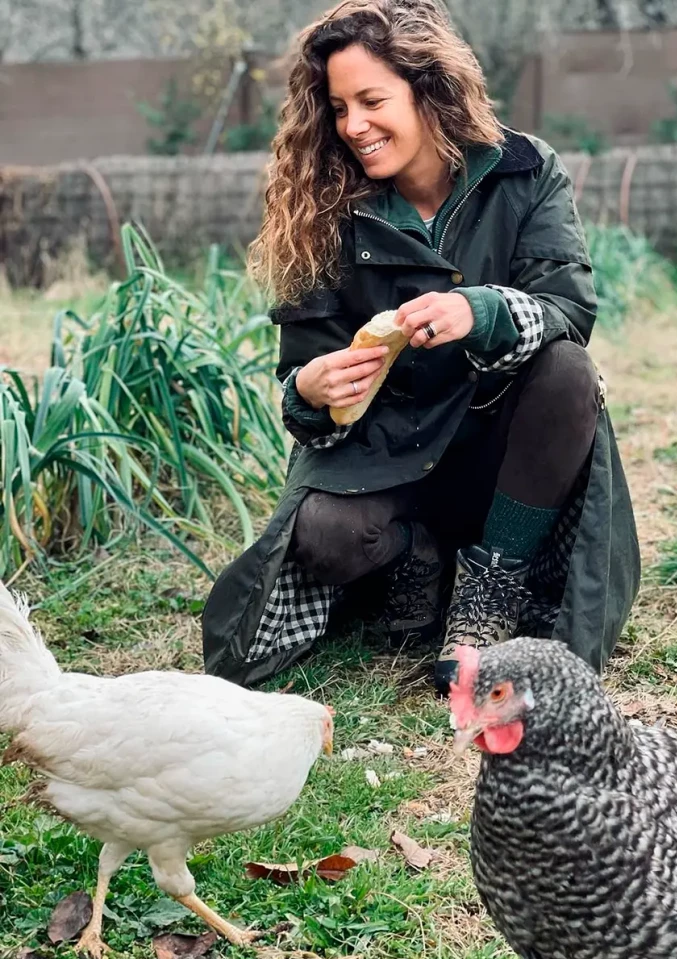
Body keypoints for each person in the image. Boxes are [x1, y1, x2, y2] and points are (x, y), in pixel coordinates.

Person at [202, 0, 640, 694]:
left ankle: (488, 588)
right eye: (339, 107)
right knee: (322, 535)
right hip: (385, 461)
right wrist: (313, 389)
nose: (354, 126)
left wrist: (480, 309)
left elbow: (569, 309)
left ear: (428, 87)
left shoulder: (524, 172)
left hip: (506, 456)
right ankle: (417, 559)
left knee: (566, 369)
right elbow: (300, 381)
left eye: (372, 100)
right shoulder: (322, 206)